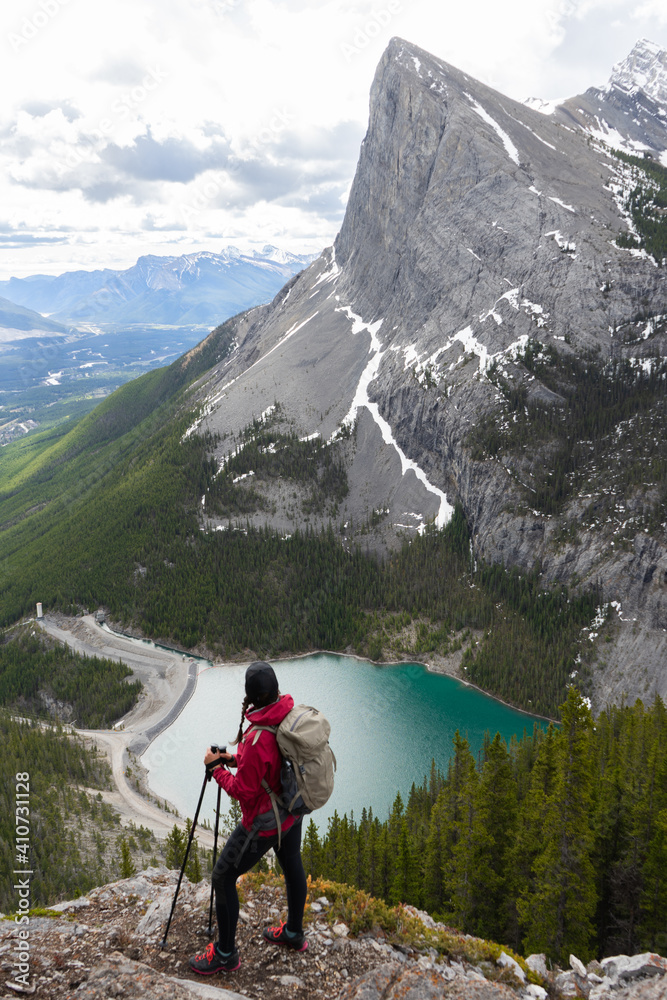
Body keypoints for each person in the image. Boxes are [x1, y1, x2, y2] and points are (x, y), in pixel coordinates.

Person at [189, 661, 308, 975]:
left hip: (264, 823)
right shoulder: (285, 715)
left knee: (222, 877)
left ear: (250, 696)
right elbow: (268, 762)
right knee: (292, 862)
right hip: (291, 813)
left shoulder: (256, 737)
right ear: (275, 689)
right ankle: (295, 932)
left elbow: (245, 790)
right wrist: (232, 758)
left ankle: (226, 954)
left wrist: (217, 770)